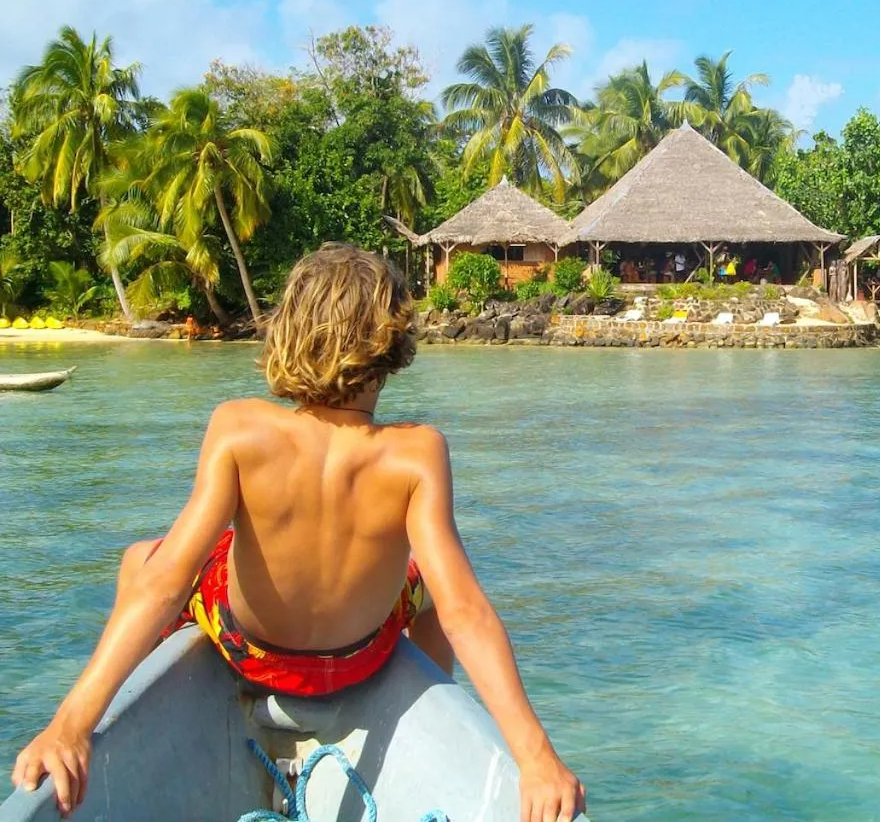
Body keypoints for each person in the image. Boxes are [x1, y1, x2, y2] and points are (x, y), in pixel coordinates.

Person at [10, 243, 585, 821]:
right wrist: (535, 755)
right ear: (391, 345)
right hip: (363, 657)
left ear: (290, 333)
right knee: (432, 591)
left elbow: (165, 581)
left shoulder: (238, 428)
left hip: (248, 649)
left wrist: (71, 725)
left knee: (141, 557)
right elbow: (466, 612)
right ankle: (418, 697)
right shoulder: (418, 452)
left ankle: (147, 715)